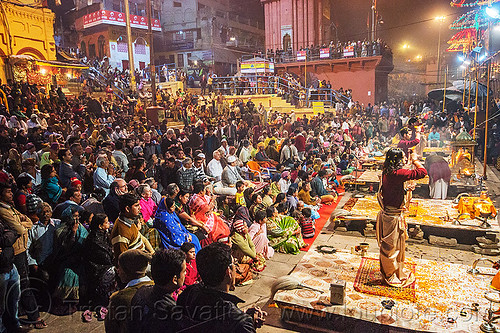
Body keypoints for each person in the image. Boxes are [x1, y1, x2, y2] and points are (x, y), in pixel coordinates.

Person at [176, 243, 266, 332]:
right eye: (234, 263)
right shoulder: (241, 322)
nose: (236, 267)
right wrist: (248, 323)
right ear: (228, 272)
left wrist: (242, 314)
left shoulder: (188, 294)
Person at [377, 148, 427, 287]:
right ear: (397, 160)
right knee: (391, 248)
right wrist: (416, 160)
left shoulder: (389, 171)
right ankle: (389, 274)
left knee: (396, 246)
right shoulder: (397, 173)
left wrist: (405, 190)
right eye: (403, 157)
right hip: (392, 216)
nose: (405, 160)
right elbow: (422, 173)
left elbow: (391, 190)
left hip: (391, 213)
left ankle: (394, 271)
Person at [0, 182, 47, 328]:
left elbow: (27, 221)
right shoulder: (3, 211)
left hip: (21, 249)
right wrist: (21, 226)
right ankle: (33, 317)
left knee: (20, 286)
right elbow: (20, 229)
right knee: (21, 285)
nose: (11, 194)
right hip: (15, 252)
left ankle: (17, 321)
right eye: (8, 192)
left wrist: (22, 224)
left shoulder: (11, 208)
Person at [129, 249, 186, 333]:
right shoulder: (171, 313)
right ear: (174, 279)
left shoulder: (142, 291)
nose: (185, 274)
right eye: (184, 271)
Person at [51, 207, 88, 314]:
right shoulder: (60, 230)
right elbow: (64, 248)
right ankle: (63, 302)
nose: (76, 219)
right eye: (74, 216)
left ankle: (76, 302)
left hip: (79, 259)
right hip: (64, 259)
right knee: (68, 274)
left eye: (78, 216)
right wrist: (73, 232)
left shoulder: (82, 229)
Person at [105, 249, 153, 333]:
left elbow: (111, 329)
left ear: (127, 271)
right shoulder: (157, 288)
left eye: (120, 267)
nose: (118, 271)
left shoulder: (119, 299)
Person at [82, 214, 116, 307]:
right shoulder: (95, 239)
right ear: (100, 226)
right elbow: (106, 258)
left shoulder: (105, 234)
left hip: (105, 265)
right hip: (97, 269)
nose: (109, 223)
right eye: (106, 222)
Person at [110, 193, 153, 264]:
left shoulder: (129, 220)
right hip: (135, 267)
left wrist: (152, 254)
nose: (140, 208)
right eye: (136, 206)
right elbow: (123, 261)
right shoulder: (121, 233)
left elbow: (143, 239)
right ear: (127, 209)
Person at [0, 217, 22, 333]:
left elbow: (16, 231)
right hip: (1, 271)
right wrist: (8, 237)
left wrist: (7, 237)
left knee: (14, 299)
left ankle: (15, 325)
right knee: (1, 306)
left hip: (11, 266)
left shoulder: (2, 220)